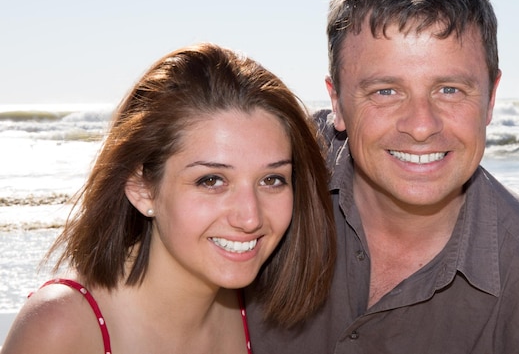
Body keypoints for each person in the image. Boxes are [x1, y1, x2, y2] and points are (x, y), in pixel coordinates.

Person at [245, 0, 519, 353]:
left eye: (449, 90)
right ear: (337, 103)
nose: (421, 126)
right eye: (386, 91)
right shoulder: (256, 187)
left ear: (490, 100)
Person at [1, 43, 335, 354]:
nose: (250, 218)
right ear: (141, 187)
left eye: (271, 179)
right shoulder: (61, 330)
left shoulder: (263, 311)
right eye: (212, 180)